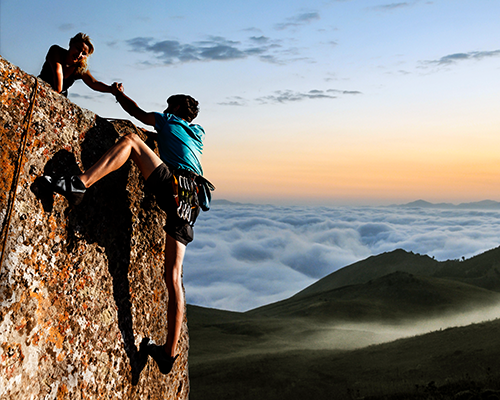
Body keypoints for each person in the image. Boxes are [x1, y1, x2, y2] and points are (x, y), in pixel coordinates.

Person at [42, 82, 209, 375]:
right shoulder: (198, 135)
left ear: (177, 109)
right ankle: (169, 353)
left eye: (170, 106)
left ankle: (80, 183)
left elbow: (139, 114)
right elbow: (171, 141)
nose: (165, 109)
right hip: (192, 200)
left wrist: (118, 94)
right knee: (173, 276)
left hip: (174, 185)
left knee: (131, 141)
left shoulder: (169, 120)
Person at [39, 33, 114, 97]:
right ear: (71, 43)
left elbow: (93, 83)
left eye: (84, 54)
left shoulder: (80, 68)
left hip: (61, 97)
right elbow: (58, 72)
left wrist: (112, 89)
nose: (79, 54)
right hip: (41, 89)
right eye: (78, 48)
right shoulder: (56, 51)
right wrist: (57, 97)